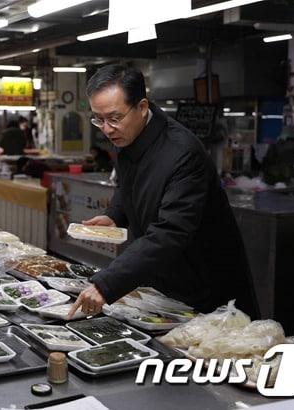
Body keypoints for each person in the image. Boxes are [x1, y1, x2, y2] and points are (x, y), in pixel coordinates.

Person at [68, 66, 258, 319]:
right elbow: (128, 184)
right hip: (162, 281)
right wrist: (115, 214)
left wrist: (107, 284)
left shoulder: (184, 153)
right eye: (98, 119)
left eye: (114, 118)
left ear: (142, 107)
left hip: (206, 290)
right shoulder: (127, 135)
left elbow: (169, 233)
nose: (106, 128)